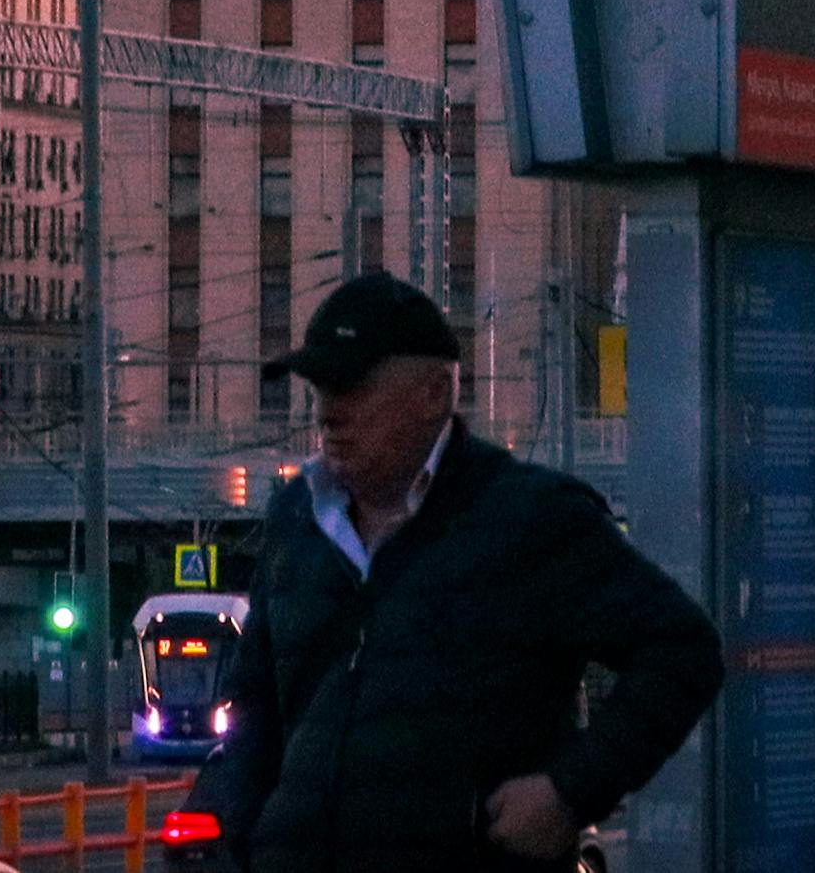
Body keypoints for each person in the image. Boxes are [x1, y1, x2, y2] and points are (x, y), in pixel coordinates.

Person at [186, 268, 723, 870]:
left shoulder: (528, 517)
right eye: (319, 388)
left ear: (435, 395)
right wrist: (240, 832)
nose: (327, 413)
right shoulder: (296, 517)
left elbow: (682, 648)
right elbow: (254, 707)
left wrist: (570, 791)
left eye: (351, 385)